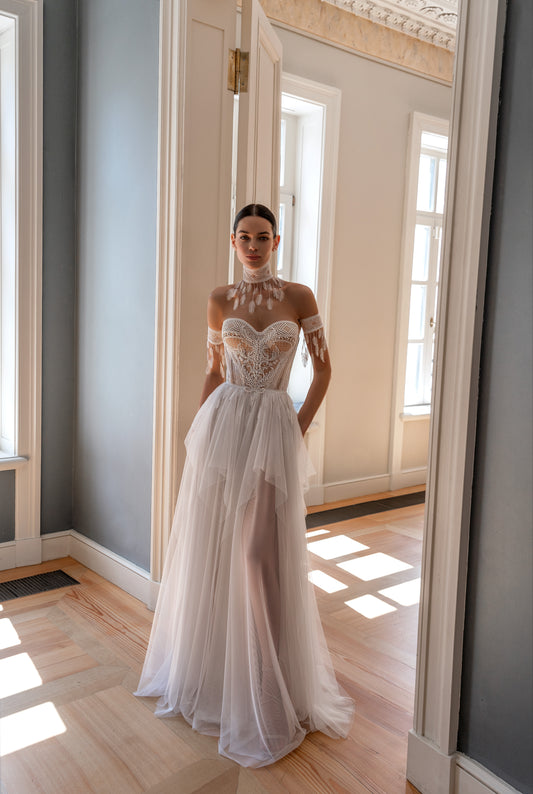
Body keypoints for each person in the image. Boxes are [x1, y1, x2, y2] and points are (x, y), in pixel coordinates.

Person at [135, 204, 354, 767]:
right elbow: (214, 370)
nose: (254, 246)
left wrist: (298, 427)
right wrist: (198, 431)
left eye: (263, 237)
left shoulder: (299, 296)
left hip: (274, 430)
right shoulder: (219, 299)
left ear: (276, 240)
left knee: (259, 556)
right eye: (244, 237)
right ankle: (213, 677)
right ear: (232, 241)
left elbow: (325, 368)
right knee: (214, 551)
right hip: (224, 427)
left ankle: (271, 687)